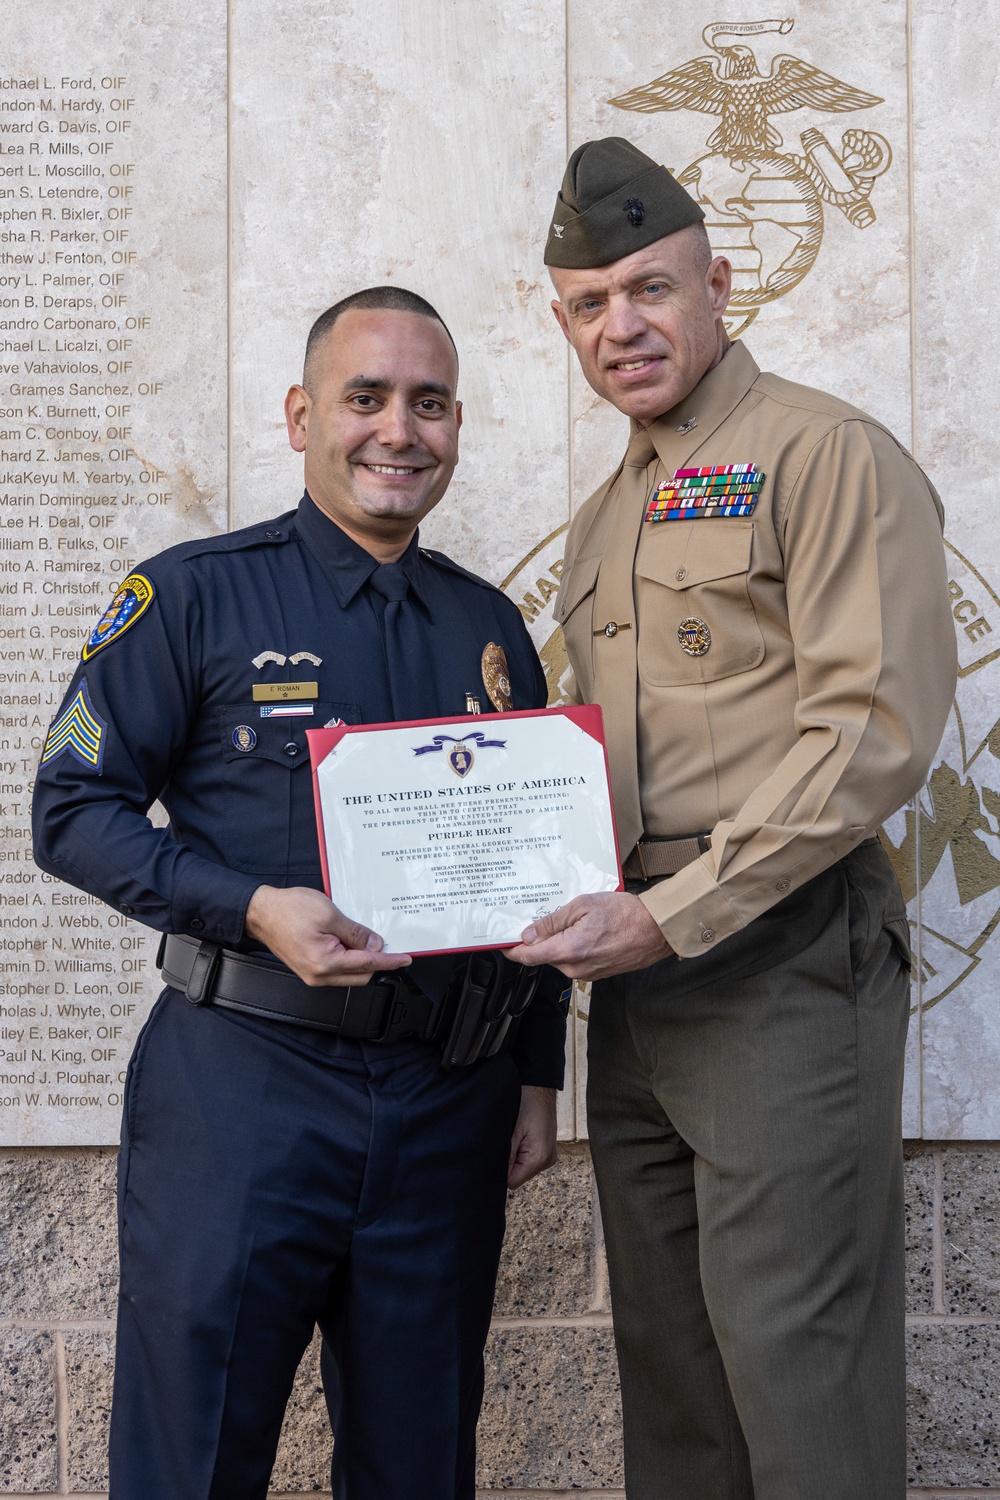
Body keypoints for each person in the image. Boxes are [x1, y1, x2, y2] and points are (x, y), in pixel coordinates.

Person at [32, 285, 568, 1500]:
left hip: (447, 1107)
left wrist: (538, 1069)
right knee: (192, 1460)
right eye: (365, 398)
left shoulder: (489, 628)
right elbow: (70, 812)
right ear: (299, 415)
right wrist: (250, 906)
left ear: (457, 424)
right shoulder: (189, 598)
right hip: (243, 1094)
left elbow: (534, 863)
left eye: (428, 405)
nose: (398, 431)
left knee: (419, 1463)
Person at [509, 136, 957, 1499]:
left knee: (793, 1362)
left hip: (774, 960)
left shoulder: (821, 452)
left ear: (719, 281)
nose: (622, 325)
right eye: (590, 303)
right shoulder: (602, 523)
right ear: (563, 324)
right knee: (675, 1370)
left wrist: (673, 915)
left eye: (649, 288)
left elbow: (871, 731)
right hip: (635, 980)